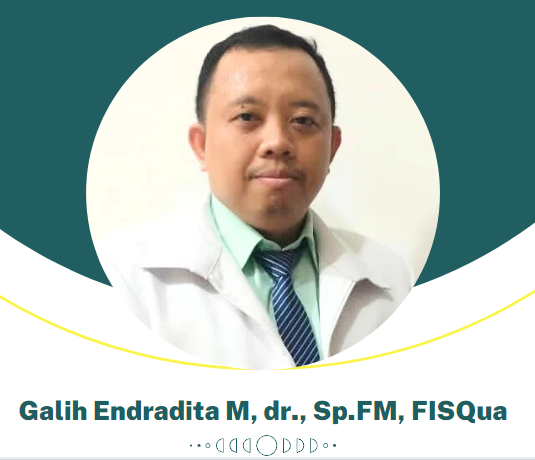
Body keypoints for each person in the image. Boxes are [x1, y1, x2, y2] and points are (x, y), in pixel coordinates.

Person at [97, 25, 411, 370]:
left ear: (332, 148)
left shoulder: (393, 279)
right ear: (201, 145)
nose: (277, 142)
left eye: (303, 120)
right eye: (247, 117)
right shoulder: (120, 278)